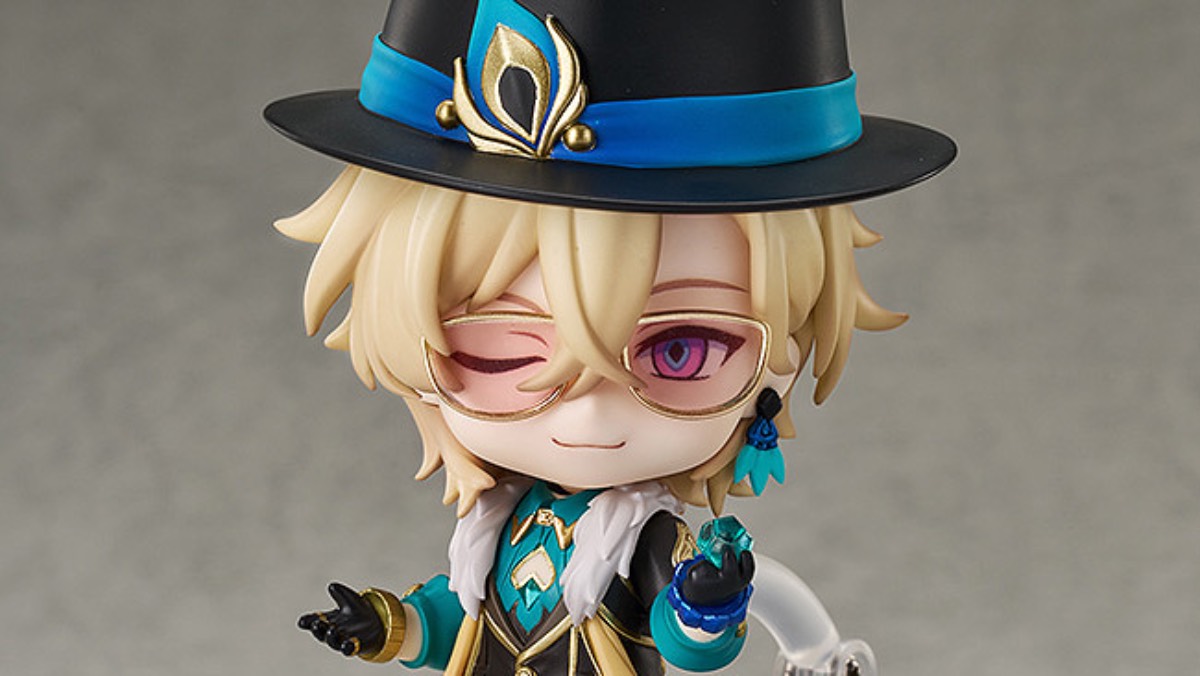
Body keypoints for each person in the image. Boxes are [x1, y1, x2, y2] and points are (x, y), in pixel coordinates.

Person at [265, 1, 954, 673]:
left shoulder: (648, 539)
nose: (588, 414)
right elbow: (456, 621)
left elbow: (682, 641)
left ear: (777, 365)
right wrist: (387, 626)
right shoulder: (497, 527)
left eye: (680, 353)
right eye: (501, 355)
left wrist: (705, 606)